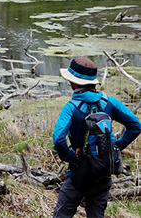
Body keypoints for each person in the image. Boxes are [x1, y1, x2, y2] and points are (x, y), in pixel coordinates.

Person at [52, 56, 141, 218]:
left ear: (74, 83)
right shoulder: (110, 102)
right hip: (103, 174)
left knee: (62, 214)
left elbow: (58, 138)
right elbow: (136, 126)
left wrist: (71, 157)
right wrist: (115, 148)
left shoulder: (70, 108)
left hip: (78, 175)